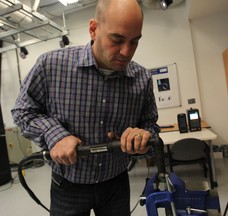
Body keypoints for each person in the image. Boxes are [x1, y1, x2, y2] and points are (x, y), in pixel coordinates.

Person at [11, 0, 160, 215]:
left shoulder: (142, 78)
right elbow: (22, 110)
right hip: (68, 184)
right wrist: (55, 134)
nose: (127, 52)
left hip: (116, 183)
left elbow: (150, 126)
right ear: (93, 29)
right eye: (117, 40)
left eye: (134, 42)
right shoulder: (50, 65)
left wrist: (142, 138)